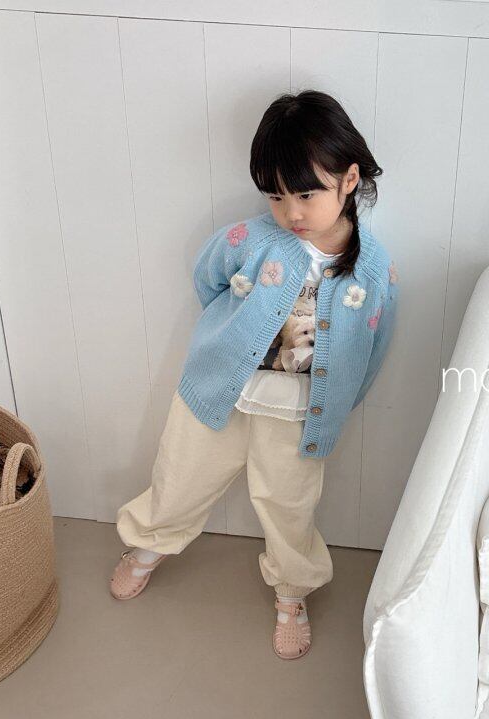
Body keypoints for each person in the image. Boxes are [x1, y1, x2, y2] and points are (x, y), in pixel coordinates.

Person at [109, 89, 399, 660]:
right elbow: (208, 279)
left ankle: (292, 593)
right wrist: (228, 342)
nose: (292, 213)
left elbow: (374, 343)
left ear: (349, 179)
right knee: (181, 476)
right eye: (276, 195)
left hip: (300, 411)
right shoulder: (250, 239)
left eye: (306, 194)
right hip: (220, 388)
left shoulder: (373, 268)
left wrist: (339, 398)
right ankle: (146, 545)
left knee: (289, 506)